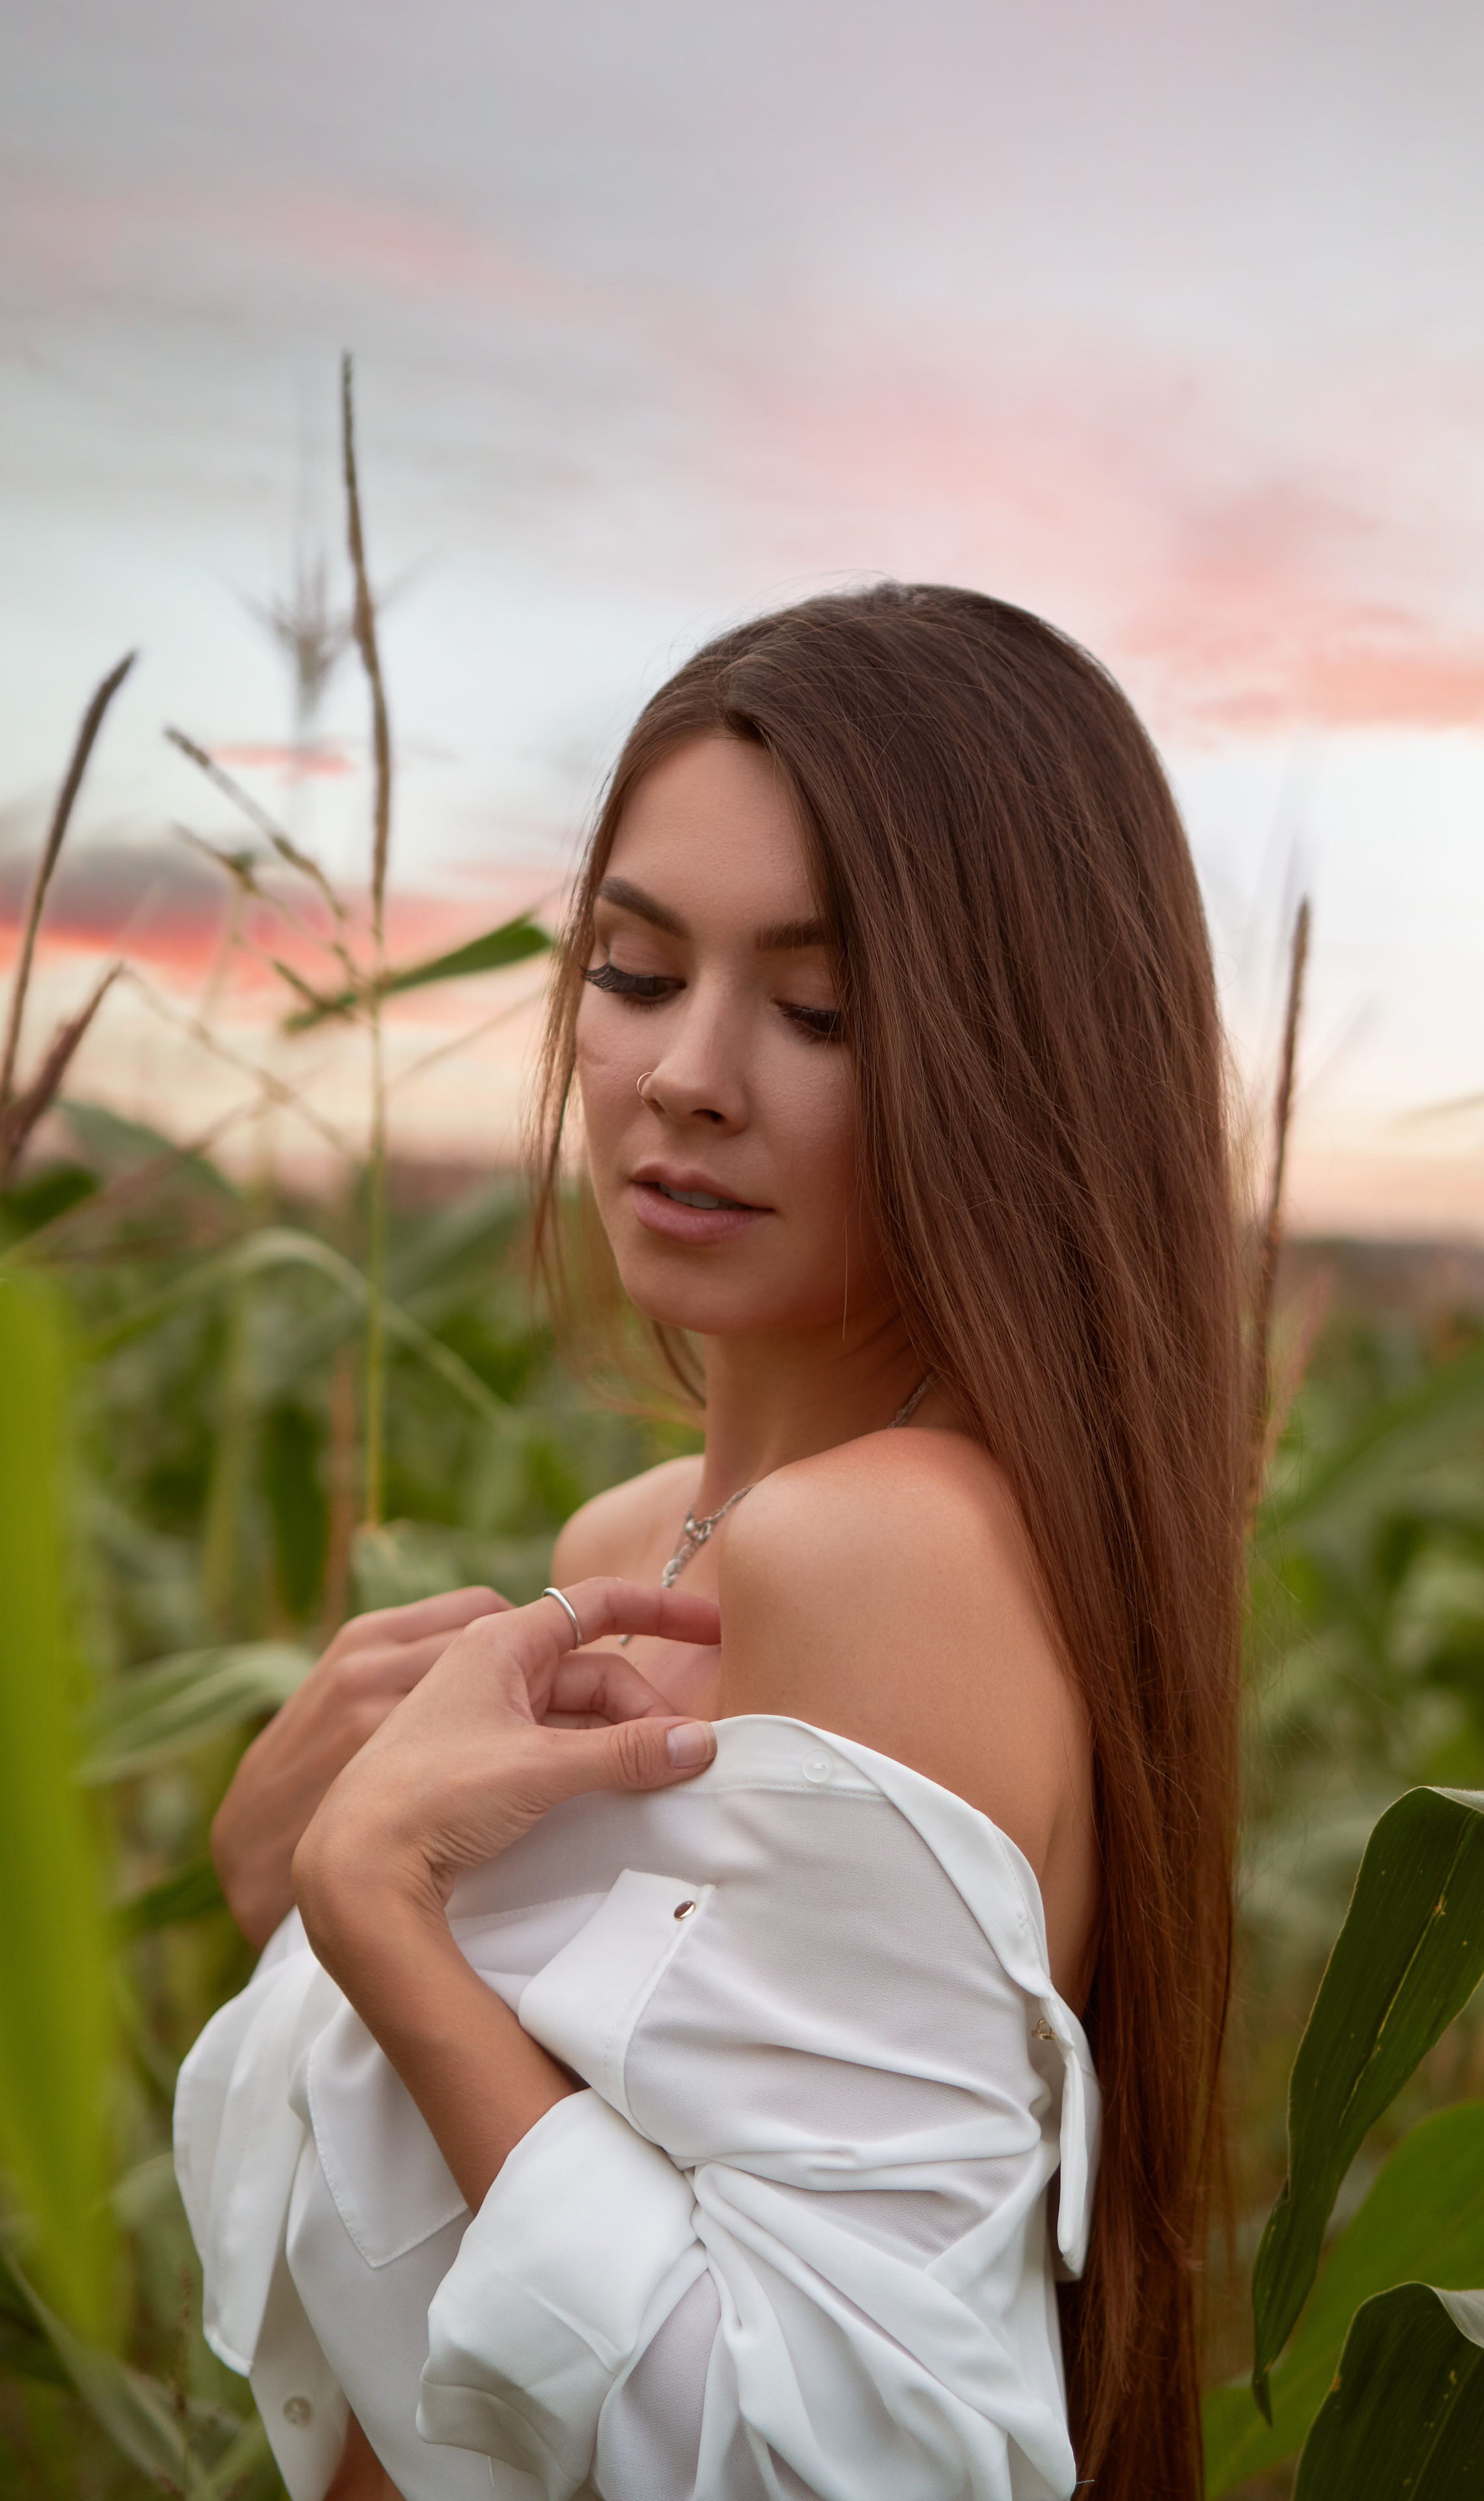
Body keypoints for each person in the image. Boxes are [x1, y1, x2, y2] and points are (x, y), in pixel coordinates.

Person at [180, 584, 1241, 2501]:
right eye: (638, 972)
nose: (685, 1072)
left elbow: (831, 2461)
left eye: (819, 1007)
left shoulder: (879, 1561)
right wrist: (289, 1910)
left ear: (1022, 1063)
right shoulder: (640, 1529)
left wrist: (376, 1918)